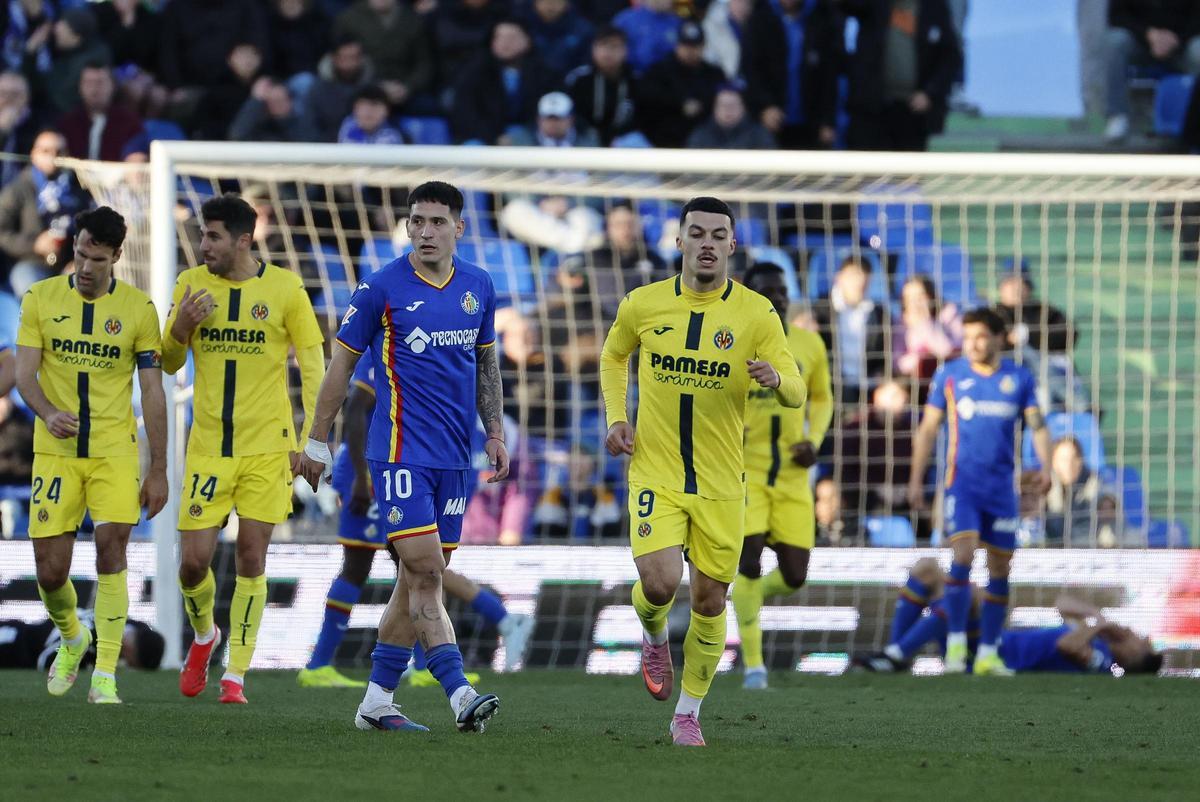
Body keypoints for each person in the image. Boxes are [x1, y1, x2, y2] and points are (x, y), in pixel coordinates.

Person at [298, 181, 507, 734]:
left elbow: (486, 368)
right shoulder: (380, 287)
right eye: (417, 221)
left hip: (454, 461)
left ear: (460, 228)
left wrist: (495, 433)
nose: (426, 231)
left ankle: (375, 703)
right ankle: (459, 691)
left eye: (438, 222)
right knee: (425, 570)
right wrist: (316, 443)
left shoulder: (479, 287)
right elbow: (340, 370)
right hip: (397, 456)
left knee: (413, 585)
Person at [600, 196, 806, 746]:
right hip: (656, 472)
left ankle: (687, 713)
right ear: (680, 242)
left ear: (733, 246)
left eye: (719, 235)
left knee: (712, 601)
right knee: (660, 583)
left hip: (720, 483)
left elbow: (798, 389)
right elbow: (614, 355)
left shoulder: (757, 314)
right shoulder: (642, 305)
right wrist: (618, 417)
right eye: (698, 233)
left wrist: (776, 380)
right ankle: (652, 632)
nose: (708, 243)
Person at [162, 194, 326, 705]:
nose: (202, 245)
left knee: (253, 558)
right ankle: (205, 635)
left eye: (212, 236)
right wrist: (182, 328)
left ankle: (235, 673)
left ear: (241, 240)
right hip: (208, 448)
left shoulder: (284, 289)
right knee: (193, 565)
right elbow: (168, 363)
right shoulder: (190, 285)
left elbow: (315, 365)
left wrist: (312, 442)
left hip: (266, 449)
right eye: (201, 236)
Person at [298, 353, 534, 688]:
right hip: (375, 469)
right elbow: (355, 412)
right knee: (369, 564)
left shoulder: (436, 344)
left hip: (411, 467)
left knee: (418, 565)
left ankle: (425, 665)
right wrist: (361, 478)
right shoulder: (384, 342)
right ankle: (320, 664)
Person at [14, 206, 168, 704]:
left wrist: (159, 468)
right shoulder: (40, 298)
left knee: (112, 553)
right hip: (55, 452)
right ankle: (71, 634)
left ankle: (104, 672)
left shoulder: (139, 310)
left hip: (113, 452)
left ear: (116, 257)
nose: (83, 266)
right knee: (50, 570)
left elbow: (151, 391)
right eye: (79, 254)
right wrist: (47, 412)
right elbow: (23, 375)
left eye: (95, 258)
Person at [907, 307, 1052, 676]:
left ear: (999, 338)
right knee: (963, 553)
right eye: (967, 336)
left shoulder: (1018, 379)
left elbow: (1038, 427)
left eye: (980, 336)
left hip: (1002, 489)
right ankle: (955, 647)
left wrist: (1047, 468)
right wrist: (915, 478)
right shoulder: (951, 376)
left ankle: (988, 653)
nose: (971, 343)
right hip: (962, 486)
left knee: (1000, 566)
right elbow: (927, 429)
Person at [731, 263, 833, 690]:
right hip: (747, 474)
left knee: (795, 576)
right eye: (767, 291)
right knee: (748, 561)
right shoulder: (732, 344)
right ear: (751, 296)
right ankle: (754, 666)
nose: (778, 297)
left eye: (783, 290)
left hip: (792, 478)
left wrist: (815, 439)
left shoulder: (809, 344)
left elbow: (824, 397)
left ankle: (746, 597)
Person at [854, 558, 1164, 676]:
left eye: (1142, 643)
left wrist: (1099, 625)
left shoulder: (1101, 664)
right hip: (990, 642)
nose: (1137, 635)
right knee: (927, 570)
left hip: (990, 658)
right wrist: (1097, 616)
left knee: (969, 594)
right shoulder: (1094, 634)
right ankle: (896, 655)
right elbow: (1063, 601)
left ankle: (894, 656)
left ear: (1136, 657)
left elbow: (1067, 647)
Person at [840, 0, 962, 152]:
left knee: (908, 172)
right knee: (871, 172)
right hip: (872, 109)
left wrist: (930, 93)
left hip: (913, 112)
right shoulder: (874, 4)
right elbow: (844, 5)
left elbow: (950, 56)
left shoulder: (934, 6)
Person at [742, 0, 842, 149]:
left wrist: (828, 121)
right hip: (770, 121)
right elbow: (750, 70)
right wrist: (764, 106)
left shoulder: (822, 17)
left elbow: (829, 76)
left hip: (812, 123)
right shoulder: (760, 17)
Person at [0, 129, 89, 297]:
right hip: (29, 263)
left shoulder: (78, 189)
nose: (53, 157)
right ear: (34, 153)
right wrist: (34, 244)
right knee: (34, 293)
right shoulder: (19, 188)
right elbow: (3, 232)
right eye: (46, 151)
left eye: (59, 151)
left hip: (69, 264)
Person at [1104, 0, 1200, 142]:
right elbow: (1117, 16)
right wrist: (1149, 34)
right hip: (1140, 42)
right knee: (1114, 42)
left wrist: (1176, 39)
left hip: (1182, 43)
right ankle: (1117, 116)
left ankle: (1194, 124)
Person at [811, 255, 890, 403]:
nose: (859, 282)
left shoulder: (879, 315)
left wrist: (882, 377)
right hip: (831, 384)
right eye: (853, 276)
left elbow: (884, 357)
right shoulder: (818, 311)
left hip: (869, 386)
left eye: (863, 277)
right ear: (839, 278)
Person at [635, 20, 726, 148]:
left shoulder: (713, 73)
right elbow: (647, 97)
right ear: (677, 45)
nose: (690, 51)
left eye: (695, 46)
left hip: (705, 141)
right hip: (663, 140)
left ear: (703, 47)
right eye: (685, 45)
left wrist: (701, 105)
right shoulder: (659, 71)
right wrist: (680, 103)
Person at [333, 0, 433, 112]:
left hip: (404, 90)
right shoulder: (348, 19)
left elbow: (424, 64)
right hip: (362, 89)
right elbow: (342, 61)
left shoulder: (414, 20)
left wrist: (408, 87)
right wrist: (375, 86)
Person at [0, 611, 165, 672]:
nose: (124, 663)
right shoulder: (89, 639)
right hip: (14, 642)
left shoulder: (122, 621)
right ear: (129, 648)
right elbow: (46, 660)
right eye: (130, 662)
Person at [564, 25, 639, 146]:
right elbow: (570, 113)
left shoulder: (635, 80)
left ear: (625, 50)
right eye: (603, 46)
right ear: (593, 49)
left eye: (614, 47)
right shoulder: (579, 79)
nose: (608, 52)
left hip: (622, 139)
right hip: (584, 137)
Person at [58, 62, 147, 161]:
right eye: (88, 83)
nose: (94, 89)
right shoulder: (68, 123)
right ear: (80, 87)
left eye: (100, 82)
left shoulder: (129, 122)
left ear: (113, 86)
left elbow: (135, 153)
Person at [305, 34, 375, 143]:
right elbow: (310, 128)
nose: (349, 64)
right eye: (344, 58)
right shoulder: (318, 90)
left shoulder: (373, 89)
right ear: (334, 58)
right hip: (328, 151)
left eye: (354, 58)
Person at [893, 274, 961, 382]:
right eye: (909, 298)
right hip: (913, 382)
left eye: (920, 297)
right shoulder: (900, 324)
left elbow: (947, 351)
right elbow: (897, 364)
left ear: (931, 296)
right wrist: (920, 356)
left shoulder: (949, 315)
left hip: (948, 377)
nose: (915, 303)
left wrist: (925, 324)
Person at [685, 83, 777, 149]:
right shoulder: (700, 136)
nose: (728, 110)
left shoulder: (760, 136)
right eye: (723, 105)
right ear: (714, 108)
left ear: (744, 107)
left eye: (733, 105)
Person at [523, 0, 594, 82]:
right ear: (535, 4)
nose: (550, 6)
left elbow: (586, 64)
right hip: (531, 83)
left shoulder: (583, 30)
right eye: (545, 2)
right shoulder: (524, 28)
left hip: (571, 82)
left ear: (567, 4)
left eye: (556, 2)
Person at [612, 0, 681, 75]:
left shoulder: (677, 22)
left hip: (668, 79)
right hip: (633, 77)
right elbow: (613, 49)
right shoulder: (624, 20)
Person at [336, 84, 404, 145]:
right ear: (354, 109)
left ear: (386, 111)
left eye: (375, 106)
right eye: (364, 106)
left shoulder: (391, 134)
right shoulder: (349, 125)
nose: (369, 112)